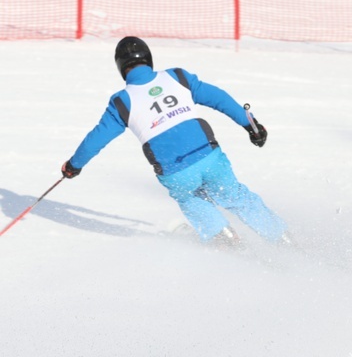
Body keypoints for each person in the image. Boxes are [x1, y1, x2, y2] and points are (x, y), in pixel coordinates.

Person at [61, 37, 289, 249]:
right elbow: (219, 98)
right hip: (209, 157)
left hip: (175, 172)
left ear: (121, 67)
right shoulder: (177, 77)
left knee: (190, 198)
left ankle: (226, 242)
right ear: (148, 59)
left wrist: (74, 165)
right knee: (237, 197)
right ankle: (284, 240)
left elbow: (95, 140)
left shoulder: (121, 102)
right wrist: (251, 125)